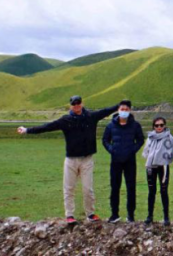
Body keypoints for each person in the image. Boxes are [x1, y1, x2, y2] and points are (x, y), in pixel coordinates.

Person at [17, 95, 120, 224]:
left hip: (87, 159)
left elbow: (105, 111)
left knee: (88, 189)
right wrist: (27, 130)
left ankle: (90, 213)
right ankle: (70, 215)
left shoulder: (91, 117)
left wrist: (119, 106)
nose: (76, 105)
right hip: (71, 160)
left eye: (78, 103)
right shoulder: (66, 120)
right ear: (70, 105)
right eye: (74, 103)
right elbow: (47, 127)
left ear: (82, 103)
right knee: (69, 188)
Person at [102, 99, 144, 223]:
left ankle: (130, 215)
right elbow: (105, 140)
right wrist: (111, 149)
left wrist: (133, 150)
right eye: (122, 109)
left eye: (126, 109)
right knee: (115, 187)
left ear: (129, 110)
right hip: (115, 160)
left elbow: (140, 140)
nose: (124, 111)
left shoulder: (135, 125)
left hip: (130, 161)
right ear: (118, 110)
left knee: (131, 187)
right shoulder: (110, 125)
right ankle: (114, 214)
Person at [141, 116, 173, 226]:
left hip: (163, 166)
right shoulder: (150, 137)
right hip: (151, 166)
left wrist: (168, 158)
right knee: (151, 191)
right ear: (153, 126)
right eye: (156, 125)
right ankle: (149, 216)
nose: (159, 127)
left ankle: (166, 217)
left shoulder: (169, 137)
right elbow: (146, 151)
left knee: (164, 191)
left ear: (164, 125)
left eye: (161, 125)